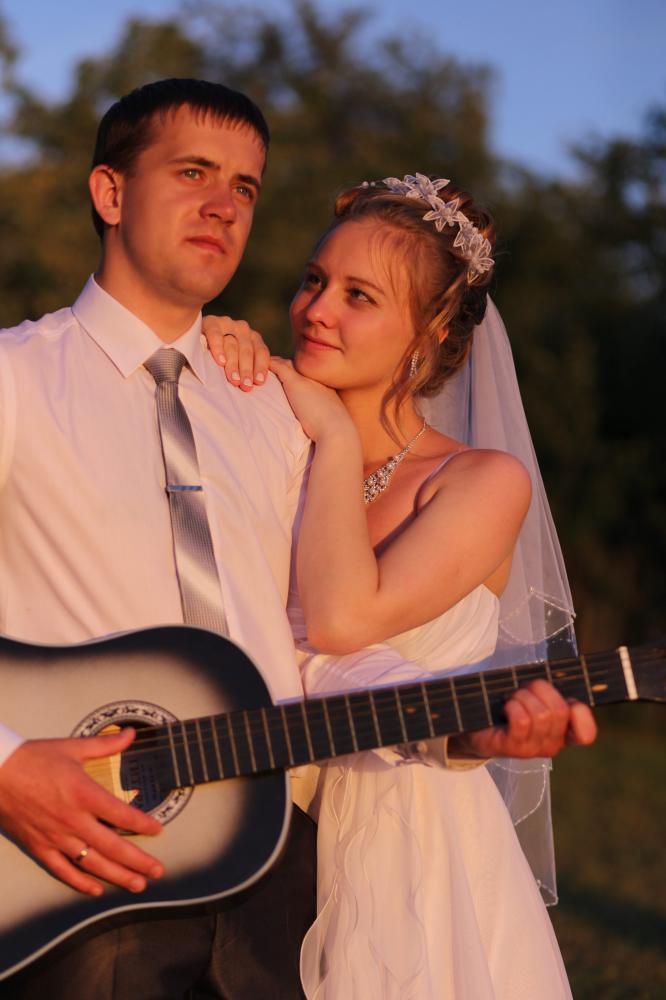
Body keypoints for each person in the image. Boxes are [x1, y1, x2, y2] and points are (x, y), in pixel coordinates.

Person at [204, 173, 597, 998]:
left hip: (410, 843)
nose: (316, 311)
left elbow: (343, 621)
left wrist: (335, 434)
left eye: (359, 296)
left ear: (431, 329)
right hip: (248, 817)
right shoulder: (266, 433)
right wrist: (209, 347)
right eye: (314, 280)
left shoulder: (481, 481)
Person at [0, 79, 315, 999]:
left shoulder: (276, 408)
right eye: (192, 172)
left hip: (273, 858)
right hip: (82, 857)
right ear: (110, 193)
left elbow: (310, 635)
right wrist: (6, 766)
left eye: (246, 187)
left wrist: (457, 717)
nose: (225, 205)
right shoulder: (14, 378)